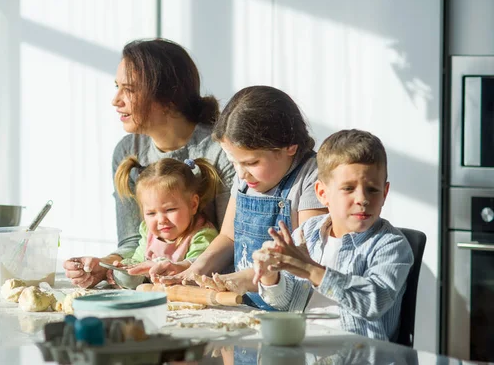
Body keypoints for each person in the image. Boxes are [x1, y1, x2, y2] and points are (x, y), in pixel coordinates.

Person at [63, 38, 235, 288]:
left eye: (129, 90)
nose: (116, 100)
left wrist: (184, 270)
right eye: (117, 87)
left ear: (169, 97)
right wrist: (107, 264)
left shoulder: (220, 151)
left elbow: (230, 241)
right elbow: (135, 241)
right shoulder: (127, 151)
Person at [160, 85, 328, 310]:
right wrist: (194, 270)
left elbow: (303, 256)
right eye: (233, 162)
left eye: (252, 163)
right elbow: (229, 237)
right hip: (244, 305)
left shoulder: (313, 175)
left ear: (289, 147)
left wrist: (242, 279)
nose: (241, 173)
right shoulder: (246, 178)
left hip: (292, 311)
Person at [252, 129, 413, 341]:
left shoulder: (391, 245)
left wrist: (311, 270)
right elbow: (285, 302)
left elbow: (372, 302)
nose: (362, 199)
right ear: (322, 194)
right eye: (348, 188)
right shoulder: (308, 233)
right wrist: (270, 276)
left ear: (385, 193)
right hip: (304, 348)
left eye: (372, 190)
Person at [112, 156, 220, 277]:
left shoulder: (202, 235)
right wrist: (126, 268)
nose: (161, 220)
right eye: (151, 213)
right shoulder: (148, 232)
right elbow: (138, 261)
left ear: (193, 204)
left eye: (170, 209)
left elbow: (197, 267)